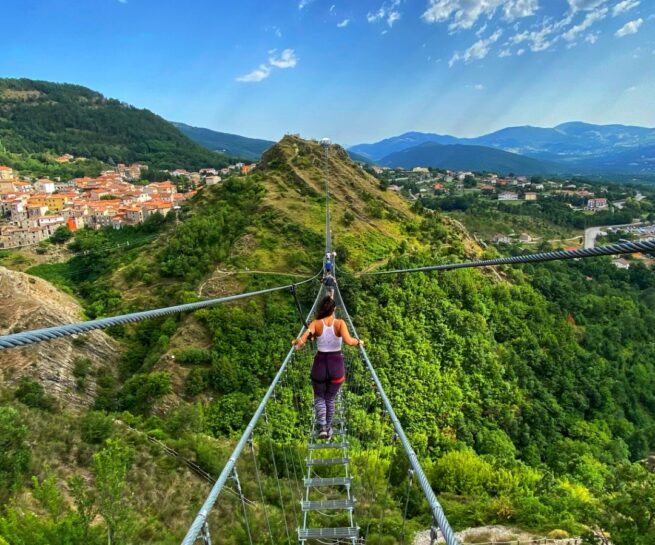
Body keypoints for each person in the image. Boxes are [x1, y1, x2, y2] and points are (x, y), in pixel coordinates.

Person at [294, 296, 362, 440]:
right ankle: (329, 427)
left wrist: (299, 342)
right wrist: (359, 342)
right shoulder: (340, 323)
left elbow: (304, 339)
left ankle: (322, 427)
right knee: (330, 399)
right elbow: (349, 341)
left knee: (319, 398)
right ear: (334, 310)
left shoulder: (315, 323)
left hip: (319, 366)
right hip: (336, 365)